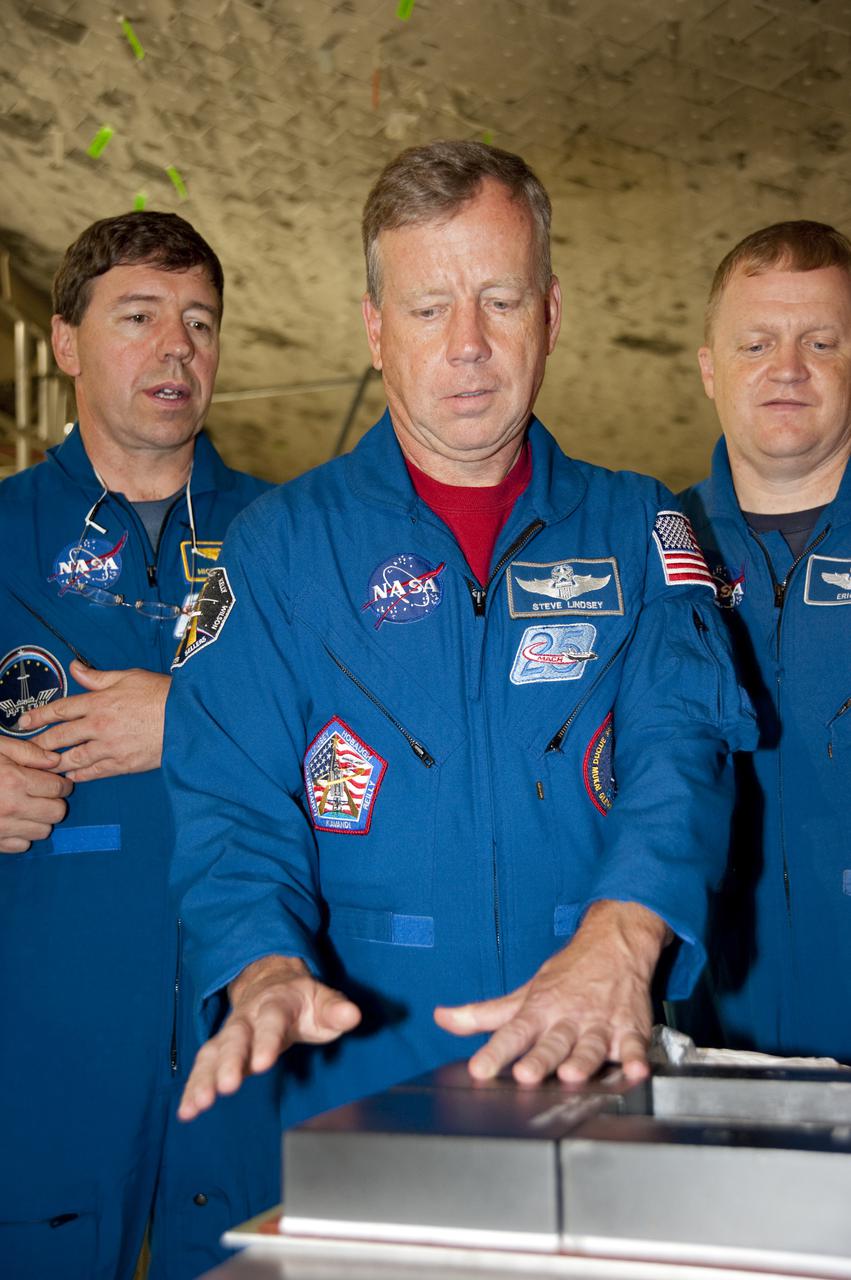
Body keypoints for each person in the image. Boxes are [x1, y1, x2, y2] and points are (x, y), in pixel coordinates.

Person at [164, 141, 754, 1132]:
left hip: (594, 1045)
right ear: (374, 331)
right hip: (356, 1060)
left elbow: (678, 749)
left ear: (552, 315)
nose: (467, 342)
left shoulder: (637, 528)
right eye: (428, 308)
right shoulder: (277, 549)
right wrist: (262, 962)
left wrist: (623, 933)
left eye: (501, 300)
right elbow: (228, 800)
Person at [0, 211, 282, 1280]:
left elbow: (378, 754)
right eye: (140, 316)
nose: (178, 347)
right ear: (65, 342)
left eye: (200, 321)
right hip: (40, 1059)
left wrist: (187, 719)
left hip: (245, 1044)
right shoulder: (2, 538)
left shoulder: (290, 540)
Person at [674, 220, 851, 1061]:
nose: (787, 368)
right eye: (755, 343)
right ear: (710, 368)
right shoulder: (647, 554)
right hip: (711, 1040)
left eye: (820, 340)